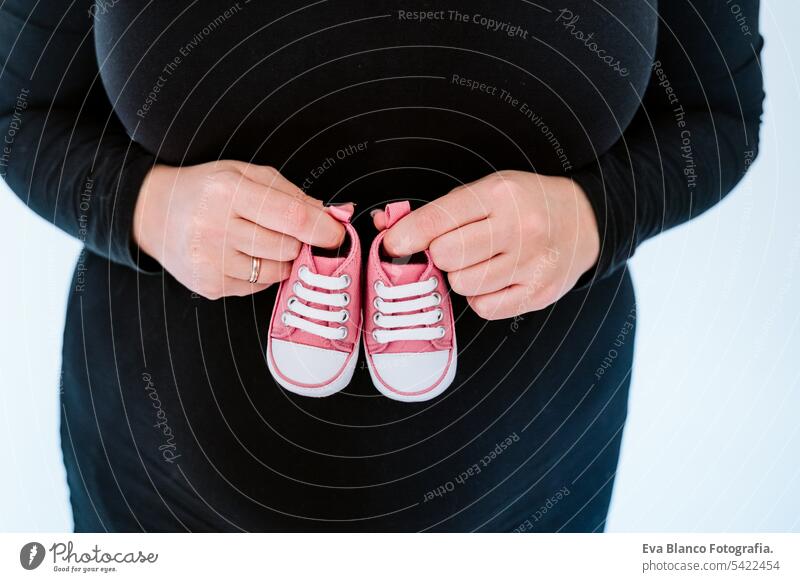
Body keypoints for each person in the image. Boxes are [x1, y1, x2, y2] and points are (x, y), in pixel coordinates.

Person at [0, 0, 763, 532]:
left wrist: (596, 218)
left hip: (526, 490)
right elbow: (19, 112)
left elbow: (720, 115)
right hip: (161, 490)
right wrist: (144, 207)